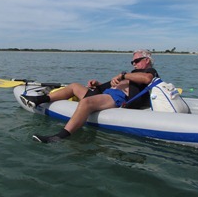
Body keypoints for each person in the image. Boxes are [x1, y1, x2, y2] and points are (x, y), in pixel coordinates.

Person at [20, 49, 159, 143]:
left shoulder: (149, 71)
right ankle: (39, 100)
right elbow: (106, 86)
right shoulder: (132, 74)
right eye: (132, 62)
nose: (134, 64)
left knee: (85, 102)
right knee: (74, 86)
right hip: (106, 93)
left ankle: (58, 138)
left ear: (147, 60)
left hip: (117, 98)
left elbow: (147, 79)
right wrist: (97, 84)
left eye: (136, 60)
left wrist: (123, 75)